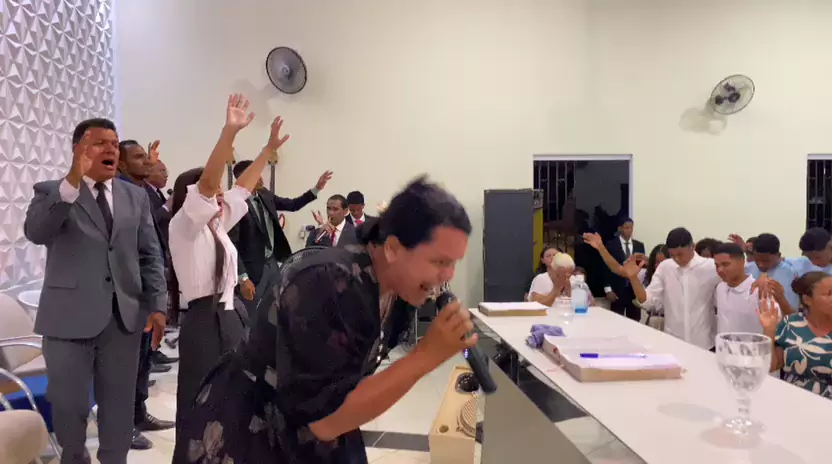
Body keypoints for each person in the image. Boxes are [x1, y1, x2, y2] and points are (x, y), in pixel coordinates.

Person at [172, 175, 476, 463]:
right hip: (253, 427)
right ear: (394, 248)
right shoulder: (329, 282)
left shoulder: (399, 292)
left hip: (308, 428)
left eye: (453, 264)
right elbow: (324, 420)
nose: (448, 275)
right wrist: (425, 356)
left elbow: (346, 390)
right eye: (439, 261)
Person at [23, 118, 167, 463]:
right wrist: (73, 181)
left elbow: (149, 254)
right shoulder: (51, 191)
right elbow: (37, 232)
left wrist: (157, 305)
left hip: (123, 320)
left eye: (114, 144)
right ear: (79, 149)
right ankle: (74, 457)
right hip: (67, 321)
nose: (111, 150)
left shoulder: (135, 196)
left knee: (118, 406)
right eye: (101, 143)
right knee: (69, 405)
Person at [168, 94, 290, 458]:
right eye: (212, 193)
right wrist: (229, 134)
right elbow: (208, 183)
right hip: (204, 320)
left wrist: (267, 150)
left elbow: (243, 189)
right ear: (192, 197)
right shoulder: (185, 226)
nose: (220, 196)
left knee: (235, 398)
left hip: (230, 313)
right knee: (199, 401)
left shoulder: (218, 224)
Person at [115, 139, 176, 449]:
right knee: (124, 369)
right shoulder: (116, 195)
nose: (148, 163)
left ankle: (138, 415)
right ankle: (121, 426)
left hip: (145, 297)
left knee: (142, 363)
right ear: (121, 164)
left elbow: (151, 248)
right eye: (139, 158)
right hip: (123, 299)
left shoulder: (140, 193)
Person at [229, 160, 332, 307]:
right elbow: (232, 246)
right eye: (256, 174)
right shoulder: (234, 204)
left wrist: (316, 189)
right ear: (243, 178)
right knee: (250, 312)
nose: (261, 178)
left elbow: (292, 204)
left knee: (272, 307)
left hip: (271, 263)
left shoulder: (264, 194)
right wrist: (243, 277)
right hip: (250, 269)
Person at [621, 228, 720, 350]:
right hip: (673, 342)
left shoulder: (710, 267)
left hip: (704, 343)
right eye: (673, 255)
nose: (677, 259)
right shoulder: (665, 267)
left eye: (680, 254)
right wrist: (633, 278)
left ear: (692, 247)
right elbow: (648, 301)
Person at [759, 271, 832, 399]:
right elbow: (771, 366)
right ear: (807, 299)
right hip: (791, 399)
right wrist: (769, 330)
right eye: (829, 294)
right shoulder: (790, 324)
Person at [713, 243, 766, 335]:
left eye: (725, 264)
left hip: (751, 344)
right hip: (723, 343)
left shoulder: (758, 290)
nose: (720, 270)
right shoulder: (720, 288)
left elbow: (775, 322)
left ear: (742, 262)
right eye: (717, 265)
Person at [741, 233, 799, 315]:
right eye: (757, 260)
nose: (761, 265)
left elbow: (793, 312)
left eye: (766, 261)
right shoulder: (747, 269)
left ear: (778, 256)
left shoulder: (790, 274)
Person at [602, 217, 645, 321]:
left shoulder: (639, 245)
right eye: (626, 228)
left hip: (633, 290)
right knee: (616, 320)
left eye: (631, 228)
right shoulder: (611, 245)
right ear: (620, 228)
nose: (629, 230)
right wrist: (608, 290)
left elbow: (641, 267)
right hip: (617, 289)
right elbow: (605, 268)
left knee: (635, 321)